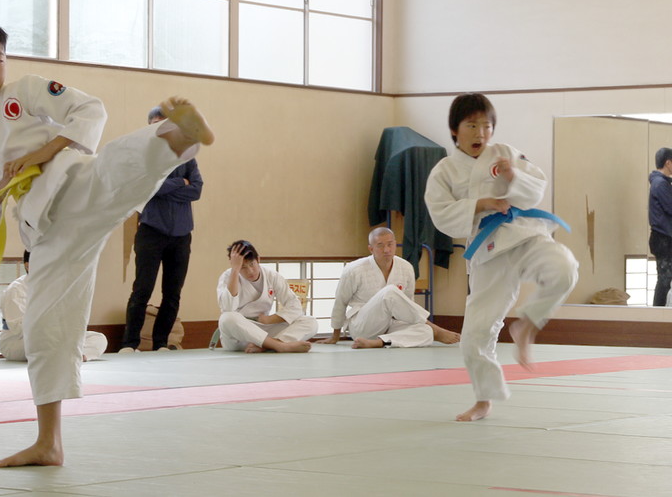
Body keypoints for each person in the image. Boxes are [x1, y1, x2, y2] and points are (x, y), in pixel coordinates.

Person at [0, 20, 214, 467]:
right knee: (43, 327)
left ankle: (176, 135)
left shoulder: (26, 90)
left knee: (111, 168)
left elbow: (90, 109)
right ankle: (49, 442)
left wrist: (43, 151)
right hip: (45, 230)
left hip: (68, 181)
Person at [424, 92, 577, 422]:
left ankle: (528, 325)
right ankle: (484, 399)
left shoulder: (505, 153)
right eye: (472, 125)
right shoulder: (444, 171)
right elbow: (439, 213)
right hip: (488, 249)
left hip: (524, 233)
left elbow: (536, 187)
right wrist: (481, 204)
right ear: (454, 130)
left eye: (486, 126)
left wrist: (513, 177)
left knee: (564, 268)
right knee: (475, 334)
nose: (480, 133)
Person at [119, 107, 203, 353]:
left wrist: (166, 186)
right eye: (155, 125)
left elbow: (196, 190)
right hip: (151, 231)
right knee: (142, 289)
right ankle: (130, 343)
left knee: (173, 293)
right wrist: (180, 182)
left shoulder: (187, 156)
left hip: (182, 235)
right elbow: (147, 187)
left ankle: (161, 343)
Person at [317, 227, 460, 349]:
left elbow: (408, 303)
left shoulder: (406, 267)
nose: (386, 250)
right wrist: (335, 336)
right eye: (380, 245)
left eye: (390, 244)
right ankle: (437, 330)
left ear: (395, 244)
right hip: (363, 326)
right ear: (371, 248)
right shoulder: (354, 269)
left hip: (391, 325)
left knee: (425, 331)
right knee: (390, 292)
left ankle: (378, 343)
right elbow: (341, 302)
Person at [1, 251, 107, 362]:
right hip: (18, 342)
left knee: (98, 338)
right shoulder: (16, 289)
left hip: (54, 337)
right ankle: (66, 354)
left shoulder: (55, 286)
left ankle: (80, 356)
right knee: (46, 342)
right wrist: (50, 327)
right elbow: (18, 328)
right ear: (28, 266)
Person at [216, 240, 317, 353]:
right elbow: (228, 308)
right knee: (227, 318)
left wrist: (270, 319)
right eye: (243, 267)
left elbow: (295, 306)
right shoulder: (228, 276)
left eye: (252, 264)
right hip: (239, 335)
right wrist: (235, 270)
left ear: (258, 260)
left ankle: (269, 345)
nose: (250, 271)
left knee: (310, 321)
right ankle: (280, 346)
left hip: (264, 330)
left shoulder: (272, 276)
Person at [649, 147, 672, 306]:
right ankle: (657, 314)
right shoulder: (660, 183)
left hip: (663, 237)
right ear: (668, 163)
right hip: (663, 238)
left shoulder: (662, 183)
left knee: (665, 279)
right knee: (664, 279)